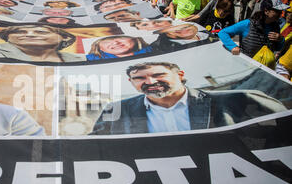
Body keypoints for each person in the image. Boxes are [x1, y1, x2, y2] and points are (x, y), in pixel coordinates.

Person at [90, 61, 287, 135]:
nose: (150, 81)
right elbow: (93, 148)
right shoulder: (116, 110)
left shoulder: (241, 100)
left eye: (159, 75)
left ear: (180, 75)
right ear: (131, 82)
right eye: (140, 78)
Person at [0, 24, 85, 63]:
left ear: (64, 37)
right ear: (7, 37)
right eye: (20, 32)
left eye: (41, 32)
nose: (30, 35)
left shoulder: (82, 59)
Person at [218, 0, 289, 57]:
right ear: (266, 11)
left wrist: (280, 39)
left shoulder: (275, 27)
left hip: (264, 66)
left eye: (281, 12)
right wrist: (233, 47)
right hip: (246, 64)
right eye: (277, 11)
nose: (280, 14)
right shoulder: (248, 24)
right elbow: (223, 33)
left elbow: (277, 48)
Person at [86, 35, 151, 60]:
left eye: (121, 38)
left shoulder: (153, 49)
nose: (115, 43)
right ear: (100, 48)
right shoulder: (91, 58)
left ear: (135, 39)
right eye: (107, 42)